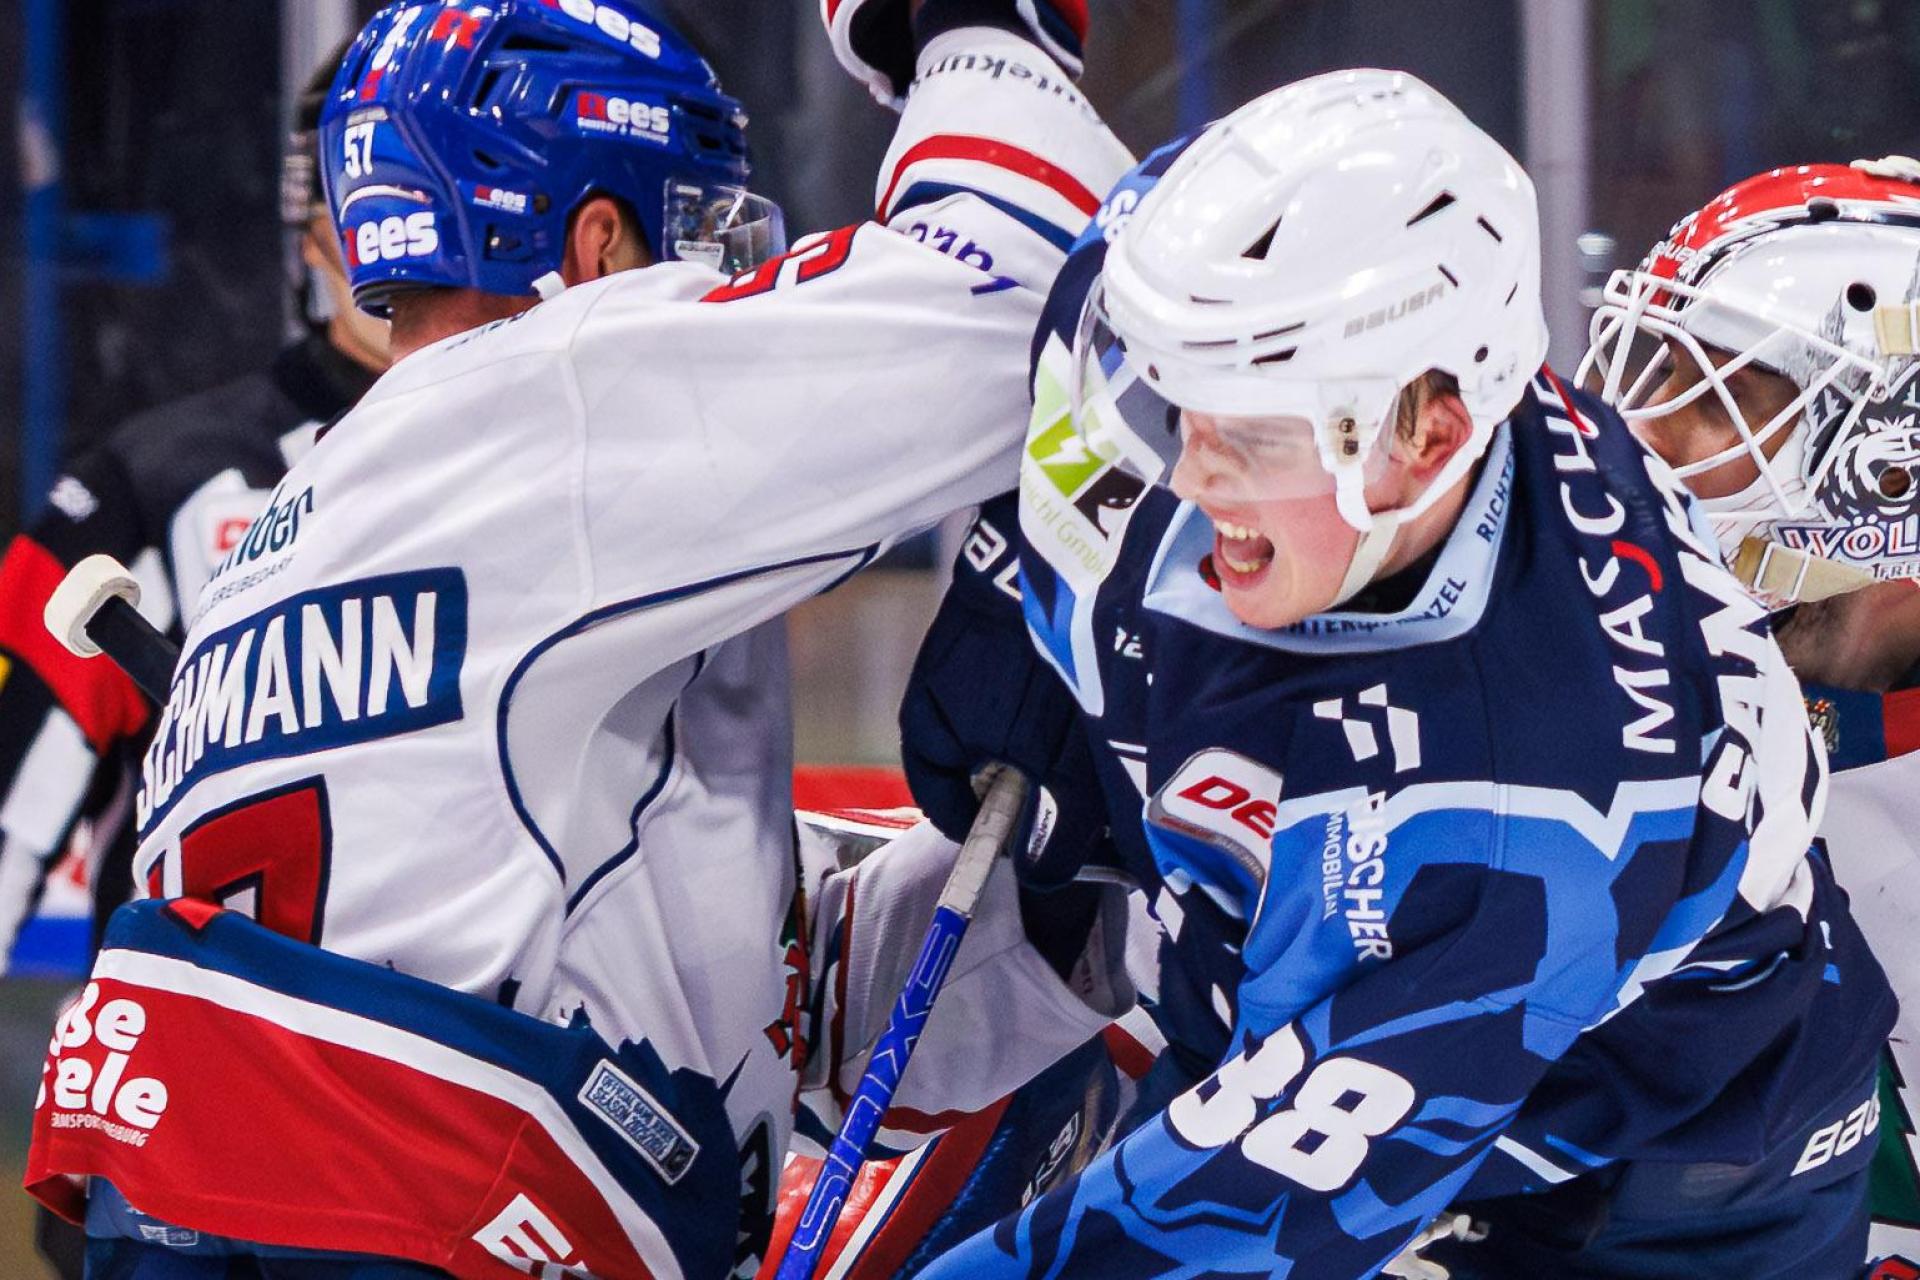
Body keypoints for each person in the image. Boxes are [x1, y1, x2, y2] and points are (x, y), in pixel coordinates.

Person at [24, 1, 1134, 1277]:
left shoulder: (292, 540)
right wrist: (972, 32)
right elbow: (1028, 294)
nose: (721, 279)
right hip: (429, 1226)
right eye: (701, 231)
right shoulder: (548, 394)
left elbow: (713, 1000)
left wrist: (1057, 906)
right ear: (594, 242)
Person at [899, 71, 1897, 1278]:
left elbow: (1210, 1231)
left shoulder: (1538, 816)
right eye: (1181, 394)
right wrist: (1043, 665)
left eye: (1257, 424)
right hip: (1401, 985)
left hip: (1673, 1171)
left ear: (1429, 431)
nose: (1196, 471)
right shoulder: (1170, 282)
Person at [1580, 154, 1920, 1277]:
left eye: (1711, 390)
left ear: (1887, 468)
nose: (1641, 436)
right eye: (1648, 367)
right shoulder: (1632, 649)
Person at [0, 49, 388, 975]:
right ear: (312, 229)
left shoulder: (584, 466)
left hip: (506, 1087)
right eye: (371, 203)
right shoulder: (156, 477)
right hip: (197, 1079)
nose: (405, 247)